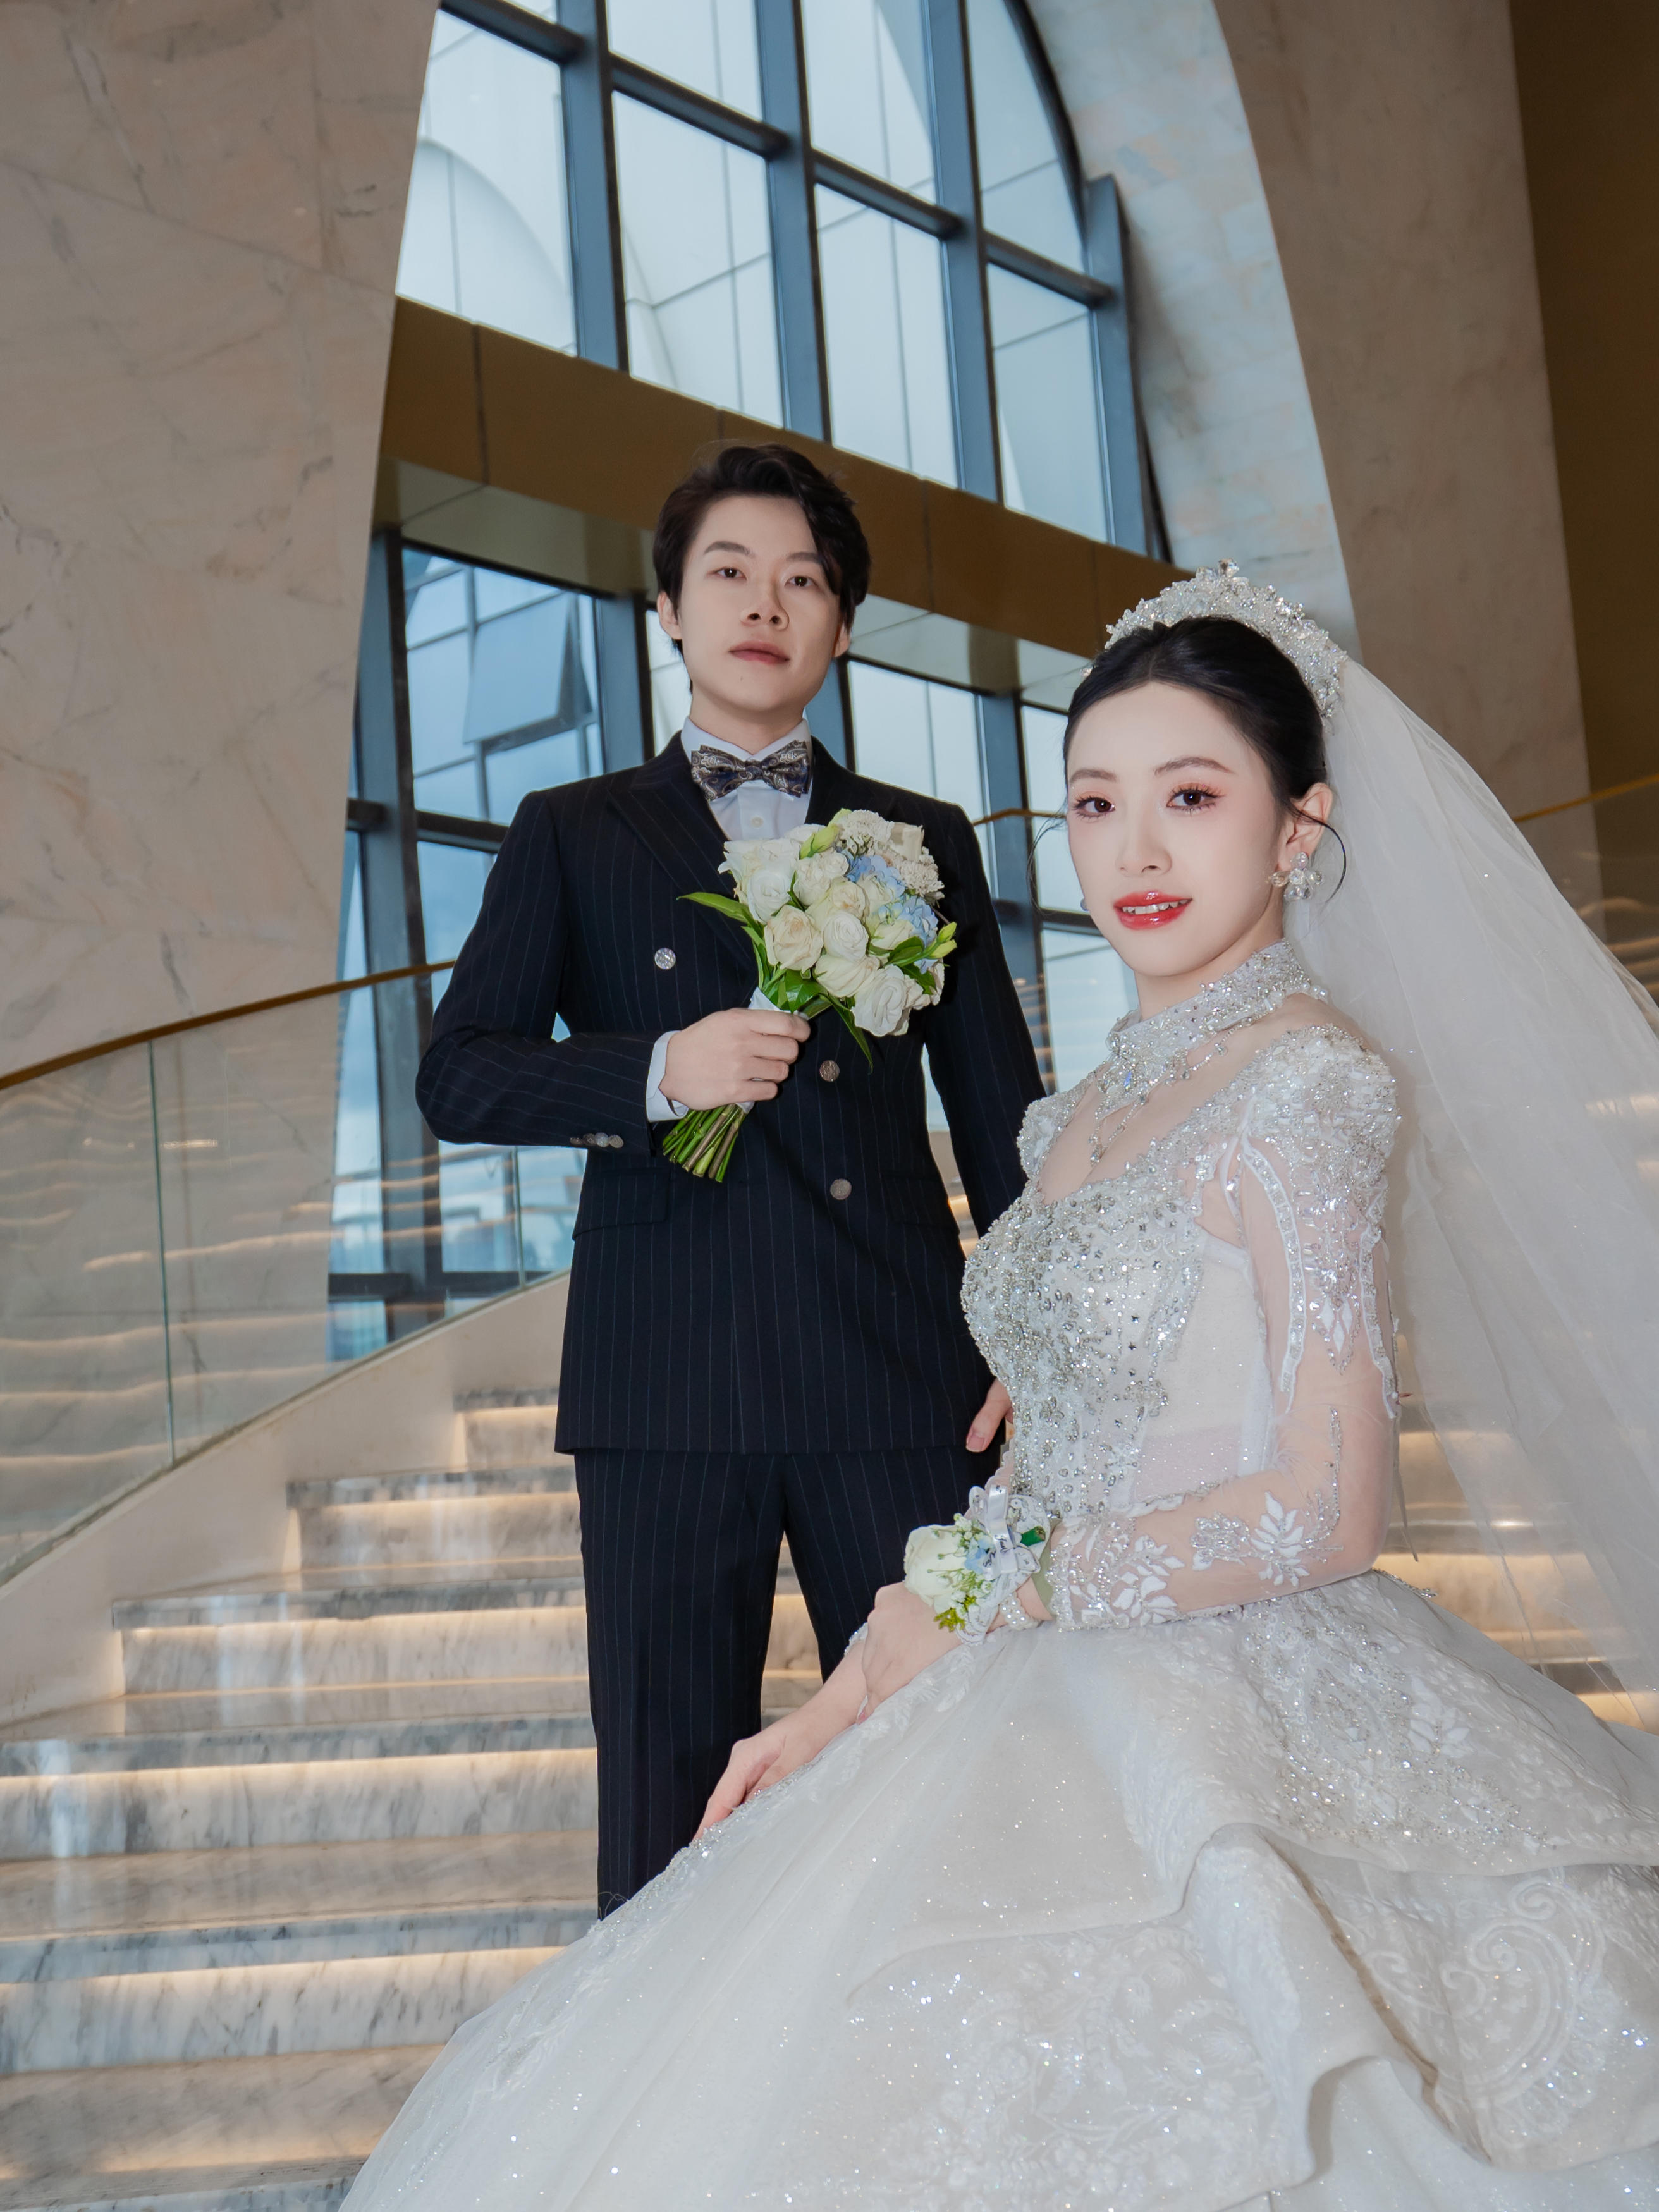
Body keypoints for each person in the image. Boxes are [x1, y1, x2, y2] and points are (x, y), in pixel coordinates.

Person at [355, 566, 1659, 2208]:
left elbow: (1331, 1507)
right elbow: (1039, 1468)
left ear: (1299, 826)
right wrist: (845, 1695)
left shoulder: (1309, 1083)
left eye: (1193, 796)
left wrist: (999, 1595)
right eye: (1095, 803)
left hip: (1227, 1681)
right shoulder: (1088, 1103)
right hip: (1025, 1649)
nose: (1135, 850)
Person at [414, 443, 1043, 1910]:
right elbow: (462, 1073)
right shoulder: (572, 830)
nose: (765, 603)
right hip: (665, 1380)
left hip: (897, 1369)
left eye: (802, 580)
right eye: (729, 572)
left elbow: (1003, 1115)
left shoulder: (923, 841)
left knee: (946, 1756)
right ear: (669, 611)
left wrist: (1039, 1334)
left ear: (841, 625)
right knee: (663, 1796)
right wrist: (656, 1070)